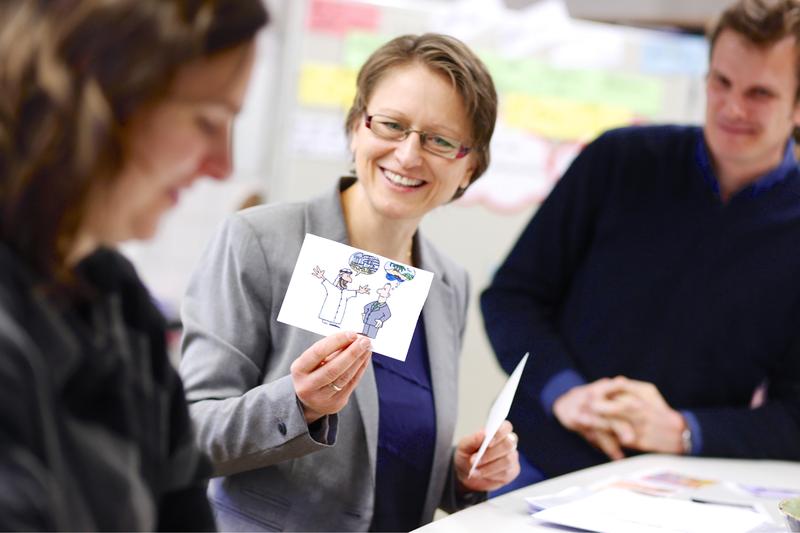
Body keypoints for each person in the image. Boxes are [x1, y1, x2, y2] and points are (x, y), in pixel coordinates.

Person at [179, 33, 520, 531]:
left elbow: (386, 450)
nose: (407, 155)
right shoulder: (260, 241)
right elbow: (189, 435)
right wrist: (299, 405)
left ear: (469, 167)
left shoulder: (447, 282)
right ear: (356, 126)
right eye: (391, 125)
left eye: (440, 140)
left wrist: (460, 476)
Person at [481, 0, 800, 489]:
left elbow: (794, 419)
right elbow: (511, 297)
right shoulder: (618, 160)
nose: (733, 108)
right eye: (721, 82)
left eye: (760, 93)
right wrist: (567, 394)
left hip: (683, 487)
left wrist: (682, 431)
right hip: (539, 464)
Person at [0, 0, 267, 529]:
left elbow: (180, 507)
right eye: (207, 121)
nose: (222, 166)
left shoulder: (115, 300)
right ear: (96, 98)